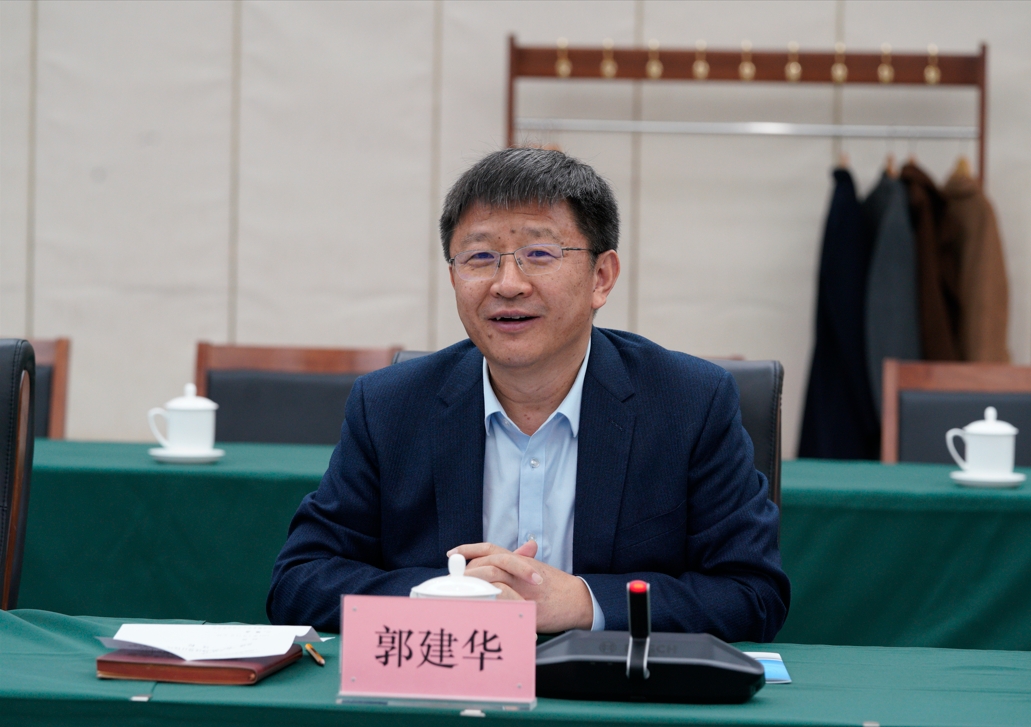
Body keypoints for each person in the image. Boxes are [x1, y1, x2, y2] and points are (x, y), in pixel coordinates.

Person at [267, 148, 789, 639]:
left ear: (601, 277)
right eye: (480, 257)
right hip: (448, 685)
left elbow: (752, 593)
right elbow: (299, 580)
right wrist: (448, 597)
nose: (508, 283)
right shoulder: (390, 406)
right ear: (453, 277)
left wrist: (584, 602)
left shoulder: (688, 404)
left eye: (539, 253)